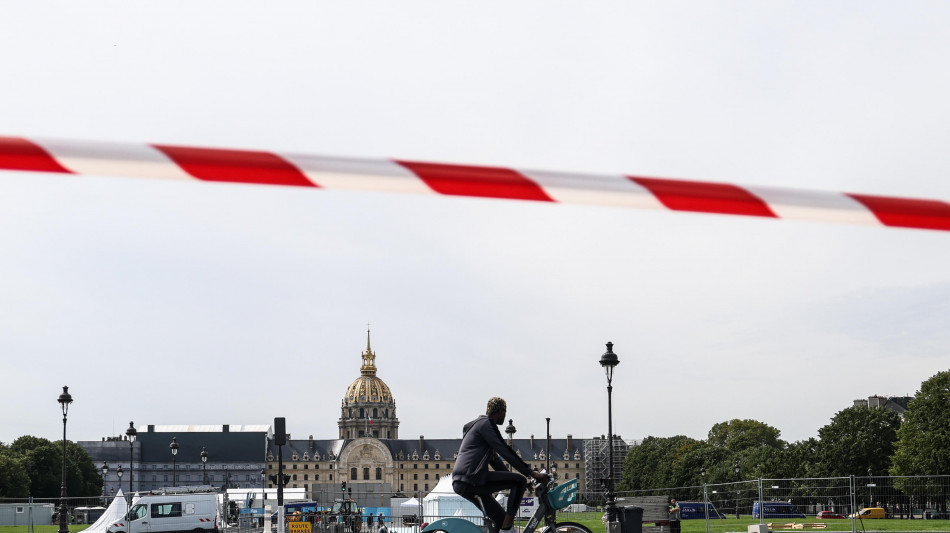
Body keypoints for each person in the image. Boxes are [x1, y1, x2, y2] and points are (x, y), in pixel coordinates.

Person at [452, 397, 549, 533]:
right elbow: (504, 450)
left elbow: (494, 460)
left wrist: (515, 477)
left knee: (500, 519)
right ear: (499, 412)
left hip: (462, 481)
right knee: (518, 482)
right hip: (472, 478)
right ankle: (507, 530)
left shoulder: (476, 425)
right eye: (505, 412)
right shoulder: (487, 424)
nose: (505, 416)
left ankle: (504, 527)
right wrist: (531, 473)